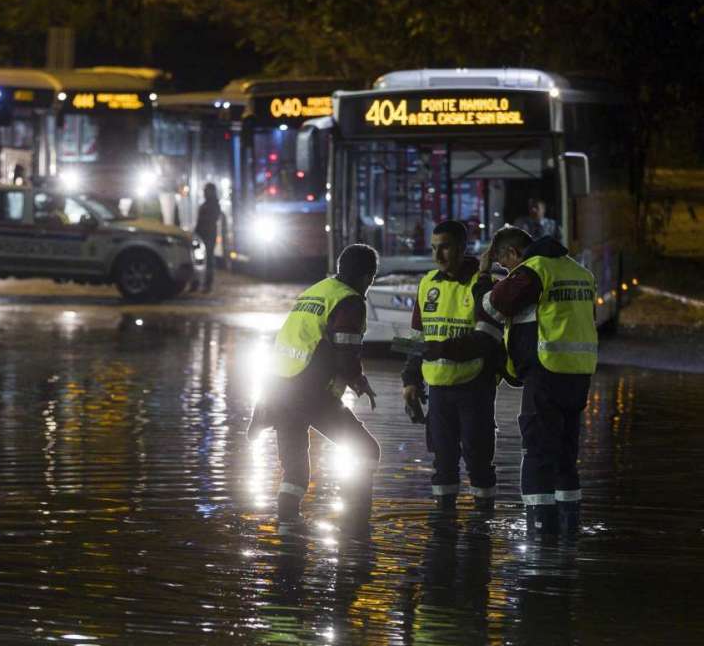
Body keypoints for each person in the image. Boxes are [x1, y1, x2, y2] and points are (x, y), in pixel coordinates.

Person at [248, 244, 382, 522]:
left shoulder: (317, 290)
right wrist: (359, 381)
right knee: (367, 451)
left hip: (277, 394)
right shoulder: (350, 301)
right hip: (310, 395)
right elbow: (345, 356)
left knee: (295, 475)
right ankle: (356, 524)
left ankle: (287, 541)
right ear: (368, 277)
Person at [483, 225, 598, 536]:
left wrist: (484, 280)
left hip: (546, 373)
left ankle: (539, 535)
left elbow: (495, 305)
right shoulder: (580, 272)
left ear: (511, 253)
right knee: (565, 454)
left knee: (536, 452)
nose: (506, 270)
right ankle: (569, 527)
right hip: (579, 374)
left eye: (503, 262)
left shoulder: (533, 271)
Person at [402, 220, 505, 512]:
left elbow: (486, 341)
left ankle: (482, 529)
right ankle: (442, 532)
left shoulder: (482, 285)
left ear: (462, 248)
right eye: (434, 248)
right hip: (438, 390)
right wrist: (410, 380)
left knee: (478, 461)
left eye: (445, 248)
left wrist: (436, 349)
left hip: (474, 388)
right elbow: (416, 338)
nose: (438, 256)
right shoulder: (427, 284)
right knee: (442, 462)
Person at [194, 182, 228, 292]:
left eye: (206, 190)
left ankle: (205, 284)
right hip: (203, 235)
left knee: (207, 260)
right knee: (201, 260)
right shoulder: (209, 204)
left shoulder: (213, 205)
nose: (205, 192)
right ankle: (200, 283)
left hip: (208, 235)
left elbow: (209, 220)